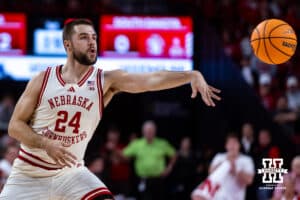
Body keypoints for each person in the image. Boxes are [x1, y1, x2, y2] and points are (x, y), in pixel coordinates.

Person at [0, 18, 221, 200]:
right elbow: (15, 126)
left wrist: (190, 75)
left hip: (71, 173)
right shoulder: (43, 79)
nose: (92, 42)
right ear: (67, 45)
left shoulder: (105, 80)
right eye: (84, 37)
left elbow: (152, 79)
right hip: (29, 173)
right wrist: (45, 143)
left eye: (94, 37)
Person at [122, 120, 177, 200]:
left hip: (158, 180)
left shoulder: (162, 143)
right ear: (143, 132)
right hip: (143, 179)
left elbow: (174, 154)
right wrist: (114, 150)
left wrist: (169, 167)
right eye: (147, 131)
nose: (149, 133)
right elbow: (124, 155)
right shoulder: (137, 144)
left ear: (155, 132)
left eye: (151, 131)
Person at [191, 133, 255, 200]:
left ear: (239, 145)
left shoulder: (246, 160)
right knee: (197, 195)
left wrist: (236, 171)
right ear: (226, 145)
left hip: (235, 197)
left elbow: (249, 181)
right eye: (230, 143)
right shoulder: (219, 157)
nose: (232, 146)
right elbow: (210, 173)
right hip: (217, 197)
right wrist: (226, 162)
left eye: (234, 143)